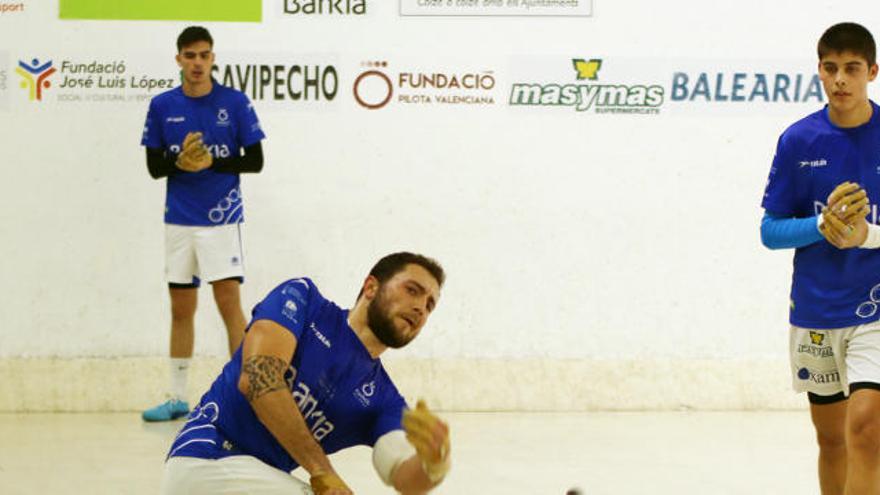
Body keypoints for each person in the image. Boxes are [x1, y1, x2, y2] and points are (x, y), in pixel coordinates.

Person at [159, 252, 452, 494]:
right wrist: (321, 469)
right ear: (371, 287)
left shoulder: (384, 400)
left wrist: (433, 464)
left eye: (429, 305)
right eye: (412, 290)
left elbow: (402, 475)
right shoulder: (304, 300)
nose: (420, 308)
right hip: (205, 458)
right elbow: (259, 379)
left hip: (256, 479)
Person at [760, 22, 880, 495]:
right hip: (815, 311)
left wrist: (865, 235)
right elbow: (770, 232)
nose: (840, 80)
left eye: (851, 69)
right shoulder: (798, 141)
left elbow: (862, 235)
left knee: (867, 430)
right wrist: (821, 225)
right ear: (819, 71)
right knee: (832, 442)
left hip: (874, 309)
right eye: (830, 69)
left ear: (872, 71)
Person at [141, 26, 266, 422]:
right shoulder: (162, 105)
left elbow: (256, 160)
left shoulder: (235, 102)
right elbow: (153, 168)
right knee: (181, 308)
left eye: (204, 55)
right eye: (190, 55)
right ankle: (177, 397)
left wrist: (214, 162)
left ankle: (246, 397)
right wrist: (179, 163)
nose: (197, 63)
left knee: (229, 304)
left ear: (213, 59)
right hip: (178, 221)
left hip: (221, 220)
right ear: (178, 58)